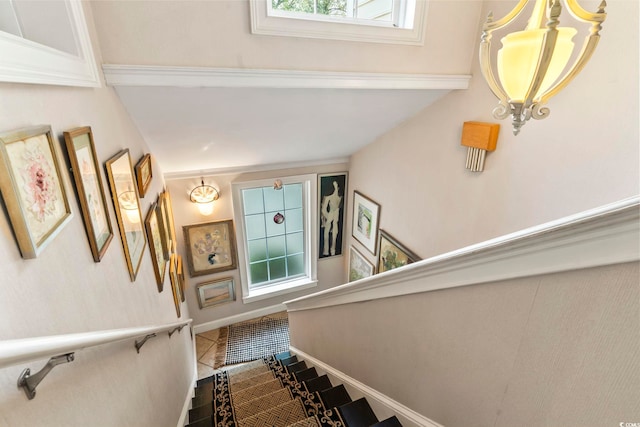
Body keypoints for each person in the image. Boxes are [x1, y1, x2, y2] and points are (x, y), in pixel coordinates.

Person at [320, 180, 342, 256]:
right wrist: (328, 217)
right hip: (330, 214)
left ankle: (333, 249)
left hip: (335, 213)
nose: (335, 186)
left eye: (336, 185)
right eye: (334, 185)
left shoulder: (340, 196)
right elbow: (323, 209)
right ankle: (326, 250)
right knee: (327, 231)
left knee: (334, 231)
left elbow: (338, 206)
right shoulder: (328, 197)